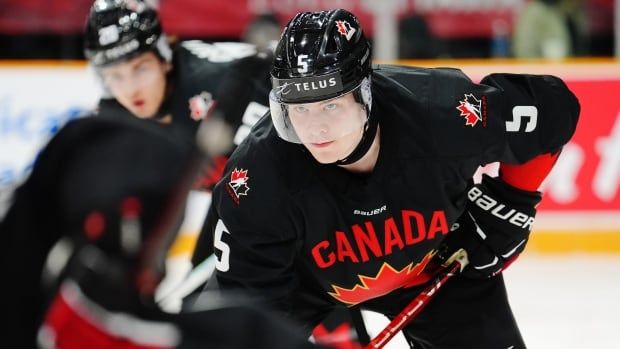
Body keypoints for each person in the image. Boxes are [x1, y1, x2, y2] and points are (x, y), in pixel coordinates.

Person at [195, 9, 580, 348]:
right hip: (307, 288)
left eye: (330, 104)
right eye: (299, 108)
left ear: (365, 93)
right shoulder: (257, 177)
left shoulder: (439, 112)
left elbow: (551, 108)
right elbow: (244, 309)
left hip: (437, 263)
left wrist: (512, 200)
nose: (315, 128)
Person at [0, 116, 321, 348]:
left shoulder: (34, 297)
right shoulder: (88, 327)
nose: (165, 258)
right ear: (124, 229)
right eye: (168, 228)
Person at [83, 0, 273, 189]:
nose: (131, 89)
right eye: (115, 76)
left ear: (164, 59)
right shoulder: (112, 118)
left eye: (141, 68)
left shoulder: (217, 87)